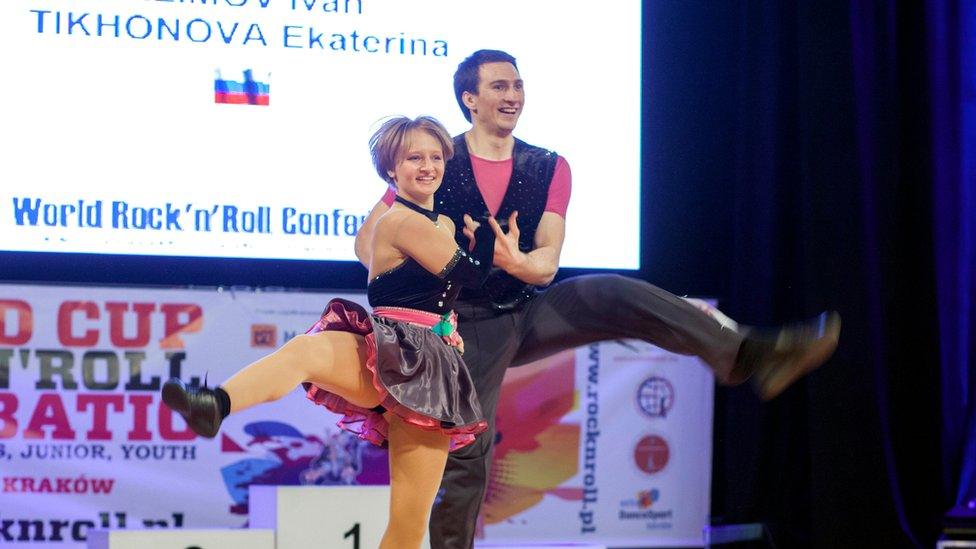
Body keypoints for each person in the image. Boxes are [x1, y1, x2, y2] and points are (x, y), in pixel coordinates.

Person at [353, 49, 842, 549]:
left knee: (612, 292)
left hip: (528, 308)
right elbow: (365, 244)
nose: (514, 96)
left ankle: (747, 356)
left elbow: (547, 261)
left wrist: (514, 262)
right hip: (466, 324)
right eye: (500, 86)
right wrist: (423, 248)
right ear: (469, 99)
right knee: (467, 449)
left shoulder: (548, 166)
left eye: (518, 85)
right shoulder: (436, 160)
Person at [162, 115, 497, 549]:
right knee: (306, 351)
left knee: (408, 527)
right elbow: (473, 275)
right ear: (391, 171)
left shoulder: (441, 225)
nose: (428, 166)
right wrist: (489, 239)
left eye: (435, 157)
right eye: (414, 157)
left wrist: (447, 324)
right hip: (393, 346)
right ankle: (213, 404)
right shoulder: (402, 222)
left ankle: (216, 404)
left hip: (428, 365)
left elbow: (441, 294)